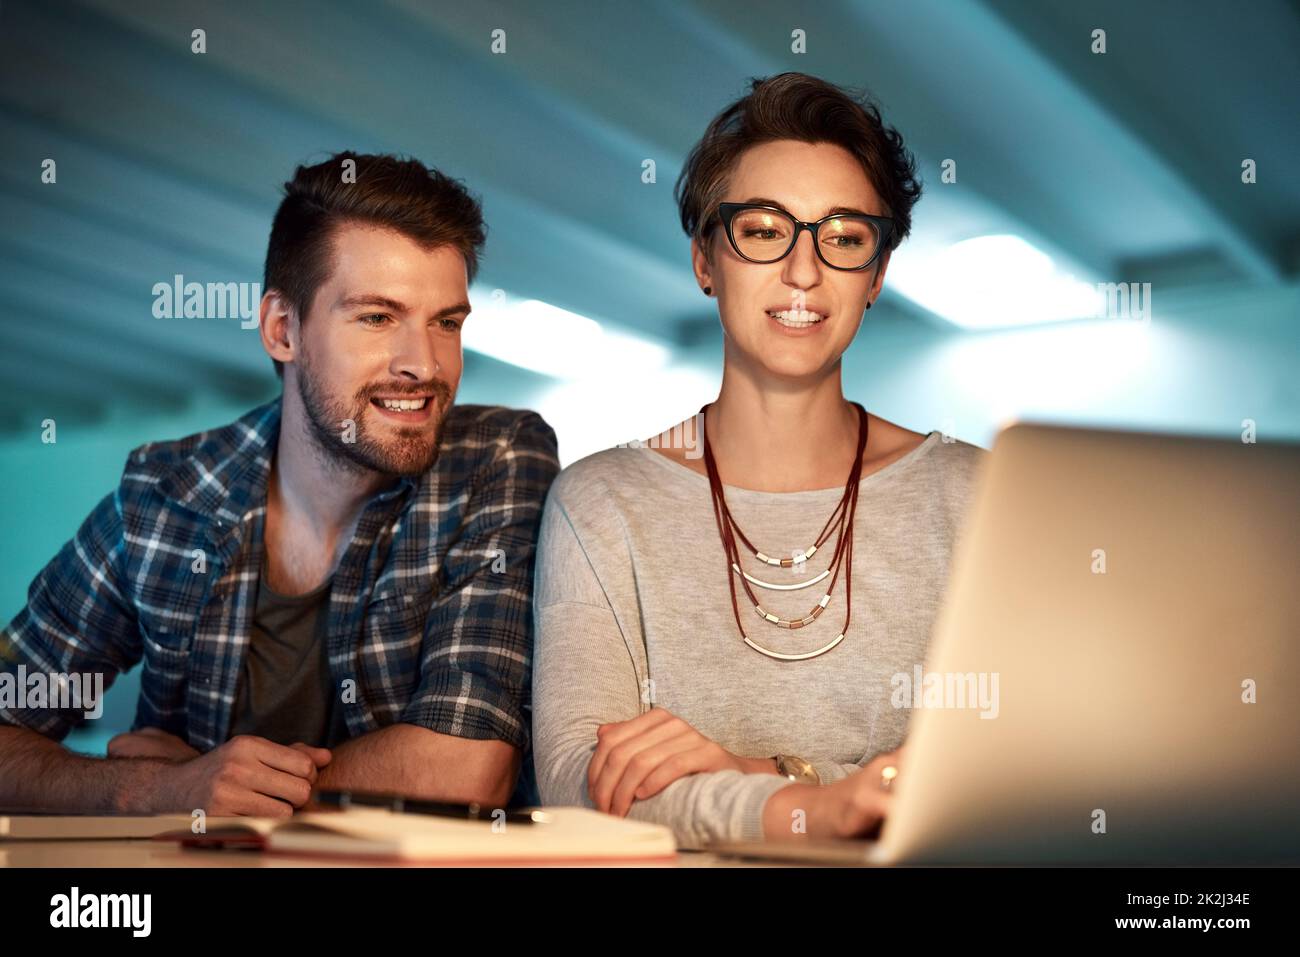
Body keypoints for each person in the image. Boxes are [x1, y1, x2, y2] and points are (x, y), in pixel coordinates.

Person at [0, 152, 559, 817]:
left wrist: (234, 785)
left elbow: (467, 766)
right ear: (282, 329)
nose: (424, 363)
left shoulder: (495, 459)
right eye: (377, 318)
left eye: (447, 322)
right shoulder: (162, 496)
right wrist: (159, 788)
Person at [531, 74, 985, 848]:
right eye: (765, 230)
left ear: (875, 275)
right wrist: (822, 803)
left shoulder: (977, 495)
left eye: (843, 236)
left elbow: (1005, 769)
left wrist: (757, 770)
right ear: (706, 259)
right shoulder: (600, 500)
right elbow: (582, 782)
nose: (804, 272)